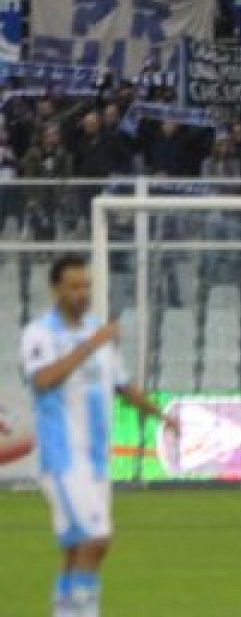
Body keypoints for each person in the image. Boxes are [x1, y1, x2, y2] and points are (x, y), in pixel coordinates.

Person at [19, 255, 174, 617]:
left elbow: (122, 385)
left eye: (86, 285)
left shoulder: (96, 331)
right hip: (63, 458)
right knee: (97, 539)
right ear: (56, 289)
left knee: (75, 549)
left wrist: (160, 414)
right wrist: (89, 345)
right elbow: (43, 380)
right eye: (74, 286)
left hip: (97, 461)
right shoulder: (40, 334)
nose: (82, 293)